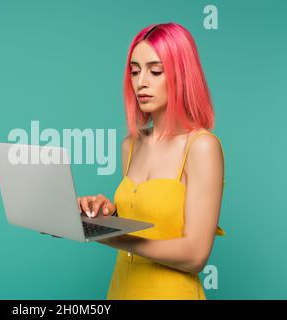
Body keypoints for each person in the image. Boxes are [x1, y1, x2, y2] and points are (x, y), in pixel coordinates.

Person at [77, 23, 225, 300]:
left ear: (182, 75)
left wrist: (111, 237)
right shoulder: (130, 145)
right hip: (121, 290)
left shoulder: (202, 147)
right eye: (134, 71)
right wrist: (103, 214)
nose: (140, 82)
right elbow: (142, 218)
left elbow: (195, 255)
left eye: (155, 71)